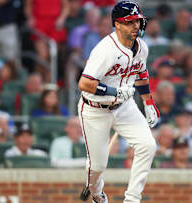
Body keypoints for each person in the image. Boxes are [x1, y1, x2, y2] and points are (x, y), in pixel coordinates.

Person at [77, 2, 159, 202]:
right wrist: (114, 91)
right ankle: (96, 191)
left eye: (137, 21)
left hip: (124, 106)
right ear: (117, 24)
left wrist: (148, 102)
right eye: (130, 22)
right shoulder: (105, 50)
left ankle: (132, 198)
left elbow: (141, 73)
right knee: (97, 167)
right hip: (95, 109)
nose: (135, 26)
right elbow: (84, 83)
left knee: (148, 146)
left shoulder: (141, 47)